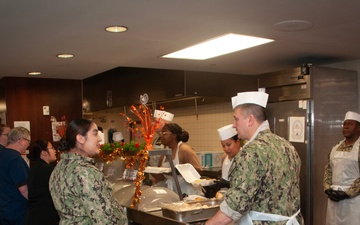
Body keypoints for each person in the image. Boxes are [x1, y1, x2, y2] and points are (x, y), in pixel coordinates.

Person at [205, 91, 303, 225]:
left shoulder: (250, 153)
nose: (234, 125)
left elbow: (234, 206)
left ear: (250, 120)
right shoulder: (287, 146)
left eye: (236, 119)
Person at [49, 118, 127, 225]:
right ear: (80, 138)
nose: (99, 139)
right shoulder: (85, 172)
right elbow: (103, 220)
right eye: (95, 134)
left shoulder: (59, 168)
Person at [323, 111, 360, 225]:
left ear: (359, 127)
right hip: (334, 201)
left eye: (350, 124)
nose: (346, 127)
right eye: (344, 124)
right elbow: (328, 170)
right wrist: (327, 188)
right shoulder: (335, 148)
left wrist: (347, 193)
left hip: (354, 202)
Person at [153, 123, 203, 196]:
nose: (161, 136)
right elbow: (161, 177)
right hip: (171, 192)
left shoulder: (184, 150)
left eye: (164, 133)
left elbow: (199, 171)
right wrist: (147, 167)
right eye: (161, 133)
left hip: (188, 192)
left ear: (174, 135)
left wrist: (179, 171)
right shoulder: (165, 152)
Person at [0, 127, 31, 225]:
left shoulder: (2, 154)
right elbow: (24, 189)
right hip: (17, 212)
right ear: (22, 140)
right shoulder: (15, 159)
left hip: (4, 210)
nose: (28, 145)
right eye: (28, 141)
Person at [25, 139, 59, 225]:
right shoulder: (46, 170)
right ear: (44, 152)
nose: (55, 150)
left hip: (34, 215)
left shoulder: (36, 168)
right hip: (44, 216)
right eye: (51, 148)